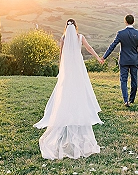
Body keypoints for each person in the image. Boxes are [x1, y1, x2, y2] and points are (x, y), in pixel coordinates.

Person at [34, 19, 104, 160]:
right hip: (78, 68)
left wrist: (61, 68)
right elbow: (89, 49)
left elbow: (61, 54)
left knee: (66, 88)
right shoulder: (80, 37)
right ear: (76, 27)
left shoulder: (63, 38)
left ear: (66, 27)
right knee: (80, 88)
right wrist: (98, 58)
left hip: (68, 68)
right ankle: (78, 106)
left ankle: (67, 105)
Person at [102, 14, 138, 107]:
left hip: (124, 60)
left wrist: (104, 57)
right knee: (134, 80)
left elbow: (112, 46)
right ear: (133, 22)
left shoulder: (121, 33)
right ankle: (131, 99)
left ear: (125, 21)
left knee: (123, 80)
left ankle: (126, 100)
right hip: (134, 60)